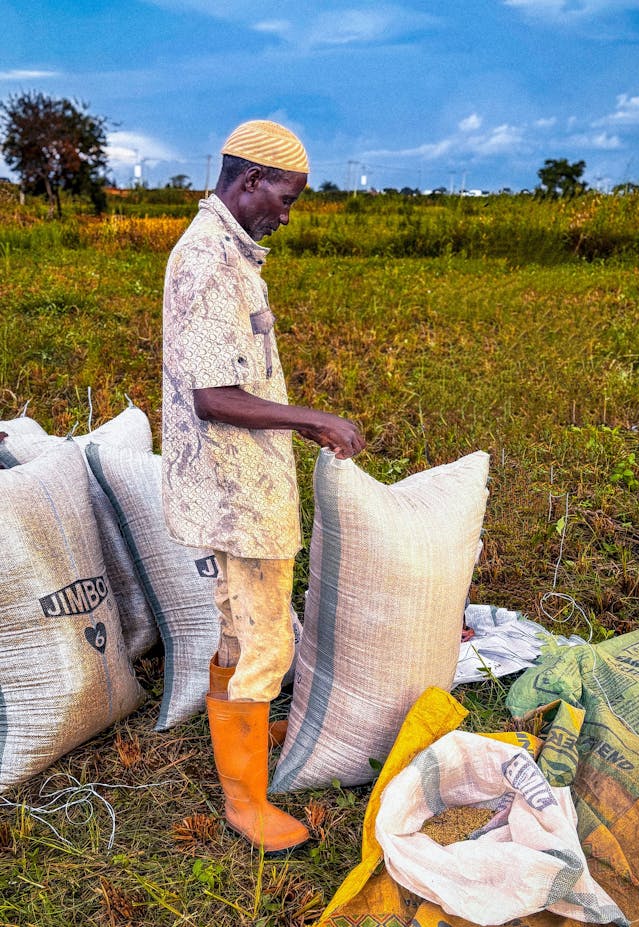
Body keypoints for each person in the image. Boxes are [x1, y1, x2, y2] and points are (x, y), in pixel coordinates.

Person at [161, 119, 365, 853]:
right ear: (249, 181)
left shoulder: (228, 253)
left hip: (232, 483)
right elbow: (213, 397)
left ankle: (239, 731)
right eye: (287, 196)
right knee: (266, 640)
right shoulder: (208, 260)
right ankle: (246, 801)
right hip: (236, 495)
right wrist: (311, 418)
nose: (289, 212)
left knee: (235, 628)